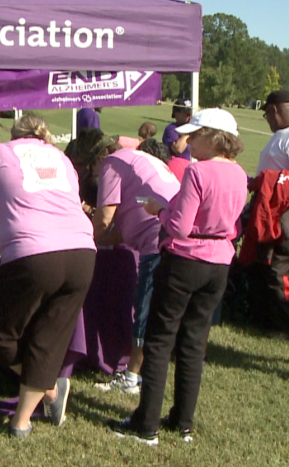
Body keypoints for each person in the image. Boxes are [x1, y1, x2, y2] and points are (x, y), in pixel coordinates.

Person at [0, 114, 96, 437]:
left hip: (35, 253)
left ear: (15, 134)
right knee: (48, 336)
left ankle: (48, 390)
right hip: (83, 251)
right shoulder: (62, 158)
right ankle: (23, 419)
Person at [108, 108, 248, 445]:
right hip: (219, 263)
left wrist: (160, 211)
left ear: (215, 137)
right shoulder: (240, 174)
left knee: (159, 340)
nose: (188, 142)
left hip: (185, 260)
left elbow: (179, 227)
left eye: (196, 135)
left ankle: (147, 425)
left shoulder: (198, 172)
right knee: (194, 343)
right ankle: (183, 421)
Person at [93, 141, 181, 395]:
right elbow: (129, 220)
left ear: (100, 158)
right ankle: (145, 369)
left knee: (143, 307)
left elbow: (104, 220)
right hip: (173, 233)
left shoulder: (112, 163)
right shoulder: (144, 162)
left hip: (157, 239)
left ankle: (132, 375)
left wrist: (86, 237)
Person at [246, 90, 289, 339]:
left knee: (280, 264)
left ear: (274, 109)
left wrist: (269, 184)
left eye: (266, 114)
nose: (267, 119)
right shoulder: (281, 135)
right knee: (263, 260)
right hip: (274, 203)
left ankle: (286, 325)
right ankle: (265, 316)